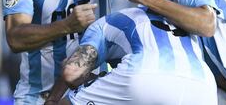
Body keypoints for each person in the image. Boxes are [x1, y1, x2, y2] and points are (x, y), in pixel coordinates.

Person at [59, 7, 217, 104]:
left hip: (146, 74)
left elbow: (72, 73)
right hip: (204, 85)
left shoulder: (107, 22)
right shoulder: (188, 23)